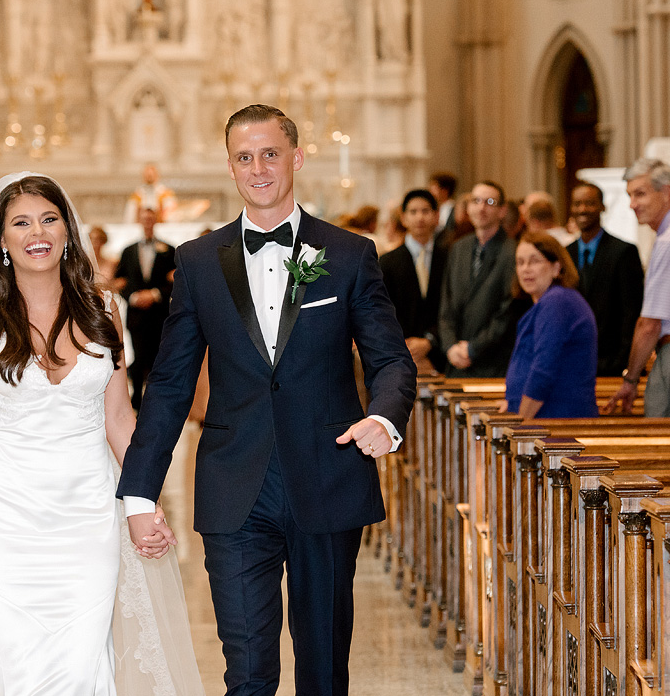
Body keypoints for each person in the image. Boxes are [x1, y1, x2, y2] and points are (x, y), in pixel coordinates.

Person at [117, 105, 417, 695]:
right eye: (244, 157)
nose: (258, 169)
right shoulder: (199, 262)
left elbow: (390, 359)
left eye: (271, 153)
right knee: (248, 671)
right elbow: (171, 382)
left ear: (296, 158)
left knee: (324, 670)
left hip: (328, 477)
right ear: (230, 167)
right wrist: (138, 493)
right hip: (235, 488)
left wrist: (383, 415)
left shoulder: (350, 254)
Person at [0, 172, 202, 695]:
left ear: (67, 230)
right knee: (9, 661)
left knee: (82, 662)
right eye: (20, 222)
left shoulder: (103, 308)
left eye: (48, 218)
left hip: (87, 514)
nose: (37, 232)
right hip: (4, 518)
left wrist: (144, 502)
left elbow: (120, 420)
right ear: (1, 239)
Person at [605, 158, 670, 417]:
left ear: (665, 191)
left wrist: (631, 379)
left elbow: (650, 323)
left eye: (640, 194)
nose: (632, 204)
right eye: (630, 195)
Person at [503, 232, 597, 418]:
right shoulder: (549, 302)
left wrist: (521, 425)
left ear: (556, 267)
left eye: (534, 261)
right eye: (520, 262)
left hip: (557, 422)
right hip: (545, 417)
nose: (525, 269)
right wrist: (512, 402)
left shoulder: (557, 302)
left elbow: (543, 370)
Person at [438, 180, 526, 377]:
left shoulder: (512, 252)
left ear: (502, 211)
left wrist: (472, 349)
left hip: (492, 365)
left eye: (490, 202)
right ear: (468, 208)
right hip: (456, 363)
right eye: (476, 201)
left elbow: (507, 311)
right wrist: (450, 346)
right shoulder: (458, 248)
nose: (481, 208)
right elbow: (446, 303)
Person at [565, 182, 644, 376]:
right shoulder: (565, 254)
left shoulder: (624, 252)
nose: (582, 209)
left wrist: (622, 362)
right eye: (577, 204)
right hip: (572, 361)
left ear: (602, 207)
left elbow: (631, 312)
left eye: (589, 203)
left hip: (611, 363)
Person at [113, 206, 176, 409]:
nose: (147, 222)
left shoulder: (169, 250)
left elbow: (176, 281)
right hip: (137, 315)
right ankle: (137, 402)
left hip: (160, 315)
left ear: (155, 221)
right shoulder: (128, 251)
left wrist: (155, 294)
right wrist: (132, 297)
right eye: (144, 219)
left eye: (151, 219)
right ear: (140, 221)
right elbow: (119, 281)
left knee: (159, 358)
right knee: (139, 358)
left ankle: (157, 399)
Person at [380, 189, 448, 374]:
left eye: (425, 211)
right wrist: (409, 347)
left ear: (436, 216)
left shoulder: (449, 258)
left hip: (441, 354)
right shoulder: (387, 262)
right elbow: (384, 310)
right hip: (400, 352)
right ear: (403, 218)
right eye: (413, 212)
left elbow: (452, 307)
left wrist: (429, 342)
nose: (420, 218)